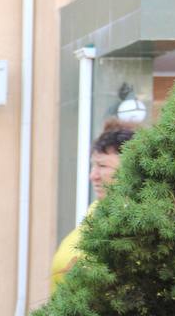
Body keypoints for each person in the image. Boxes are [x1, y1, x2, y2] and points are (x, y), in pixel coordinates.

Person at [50, 119, 137, 291]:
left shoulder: (138, 220)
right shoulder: (96, 209)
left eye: (102, 166)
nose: (93, 176)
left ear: (129, 169)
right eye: (93, 165)